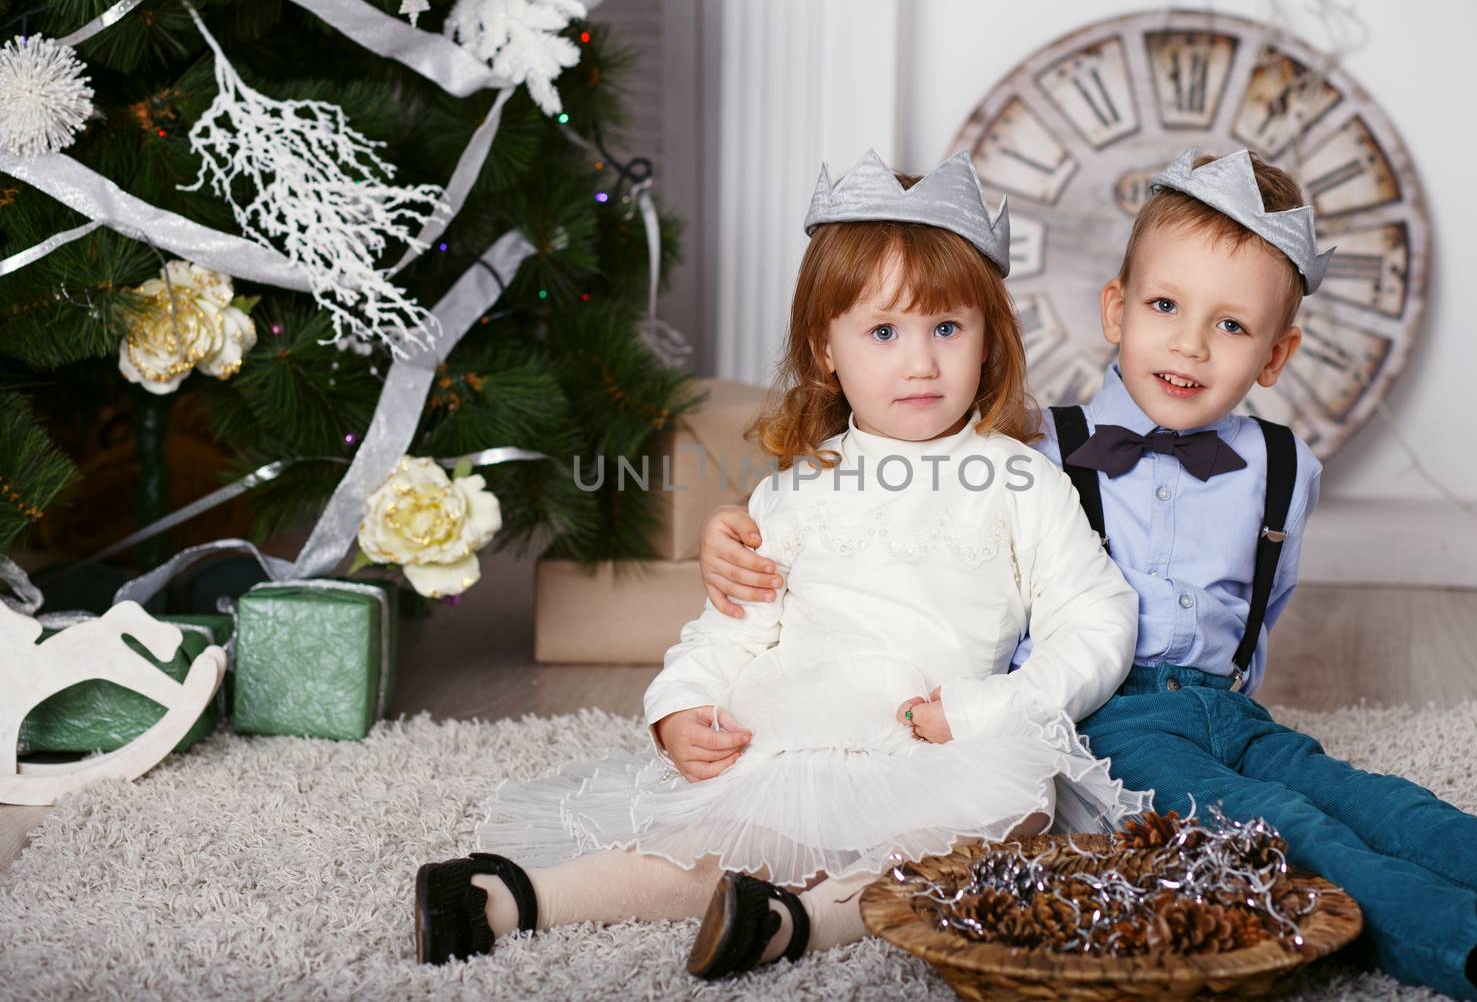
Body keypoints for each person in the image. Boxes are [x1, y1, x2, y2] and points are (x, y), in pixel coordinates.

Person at [698, 147, 1477, 1001]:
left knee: (1373, 798)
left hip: (1229, 703)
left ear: (1275, 355)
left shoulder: (1286, 468)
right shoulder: (1031, 443)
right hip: (1109, 724)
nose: (1192, 346)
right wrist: (734, 535)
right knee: (1286, 829)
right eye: (1166, 307)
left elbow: (1263, 601)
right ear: (1115, 311)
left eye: (1233, 324)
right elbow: (881, 498)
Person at [413, 149, 1148, 980]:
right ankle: (507, 895)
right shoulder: (799, 489)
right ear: (824, 348)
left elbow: (1096, 618)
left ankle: (794, 922)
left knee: (1014, 813)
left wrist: (992, 709)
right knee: (701, 844)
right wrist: (681, 702)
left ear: (989, 338)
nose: (919, 361)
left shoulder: (1021, 479)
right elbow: (734, 624)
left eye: (947, 328)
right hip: (799, 730)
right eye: (883, 331)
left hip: (934, 739)